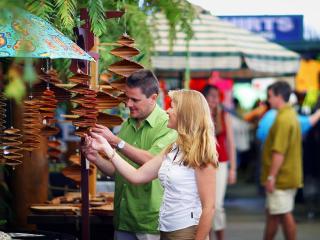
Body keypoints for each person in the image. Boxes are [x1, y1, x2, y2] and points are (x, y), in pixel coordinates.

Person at [85, 89, 218, 240]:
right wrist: (105, 150)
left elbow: (209, 208)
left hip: (186, 232)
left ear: (185, 114)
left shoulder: (202, 154)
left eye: (172, 107)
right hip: (165, 230)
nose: (167, 111)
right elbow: (137, 176)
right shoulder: (173, 148)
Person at [83, 69, 177, 240]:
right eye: (127, 98)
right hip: (123, 218)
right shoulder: (127, 124)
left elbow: (152, 161)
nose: (128, 104)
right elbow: (117, 170)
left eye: (135, 99)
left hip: (150, 221)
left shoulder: (167, 125)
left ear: (153, 98)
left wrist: (115, 142)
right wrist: (95, 158)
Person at [261, 81, 303, 240]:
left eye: (270, 96)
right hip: (286, 175)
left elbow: (279, 151)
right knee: (274, 213)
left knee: (283, 213)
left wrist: (271, 177)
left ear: (279, 96)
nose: (268, 100)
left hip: (281, 177)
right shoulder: (289, 115)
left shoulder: (284, 119)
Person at [201, 85, 236, 240]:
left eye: (217, 96)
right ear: (205, 97)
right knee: (205, 205)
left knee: (218, 205)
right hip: (202, 163)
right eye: (212, 96)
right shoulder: (200, 114)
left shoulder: (223, 115)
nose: (216, 99)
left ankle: (220, 237)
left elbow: (230, 142)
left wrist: (233, 169)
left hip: (221, 163)